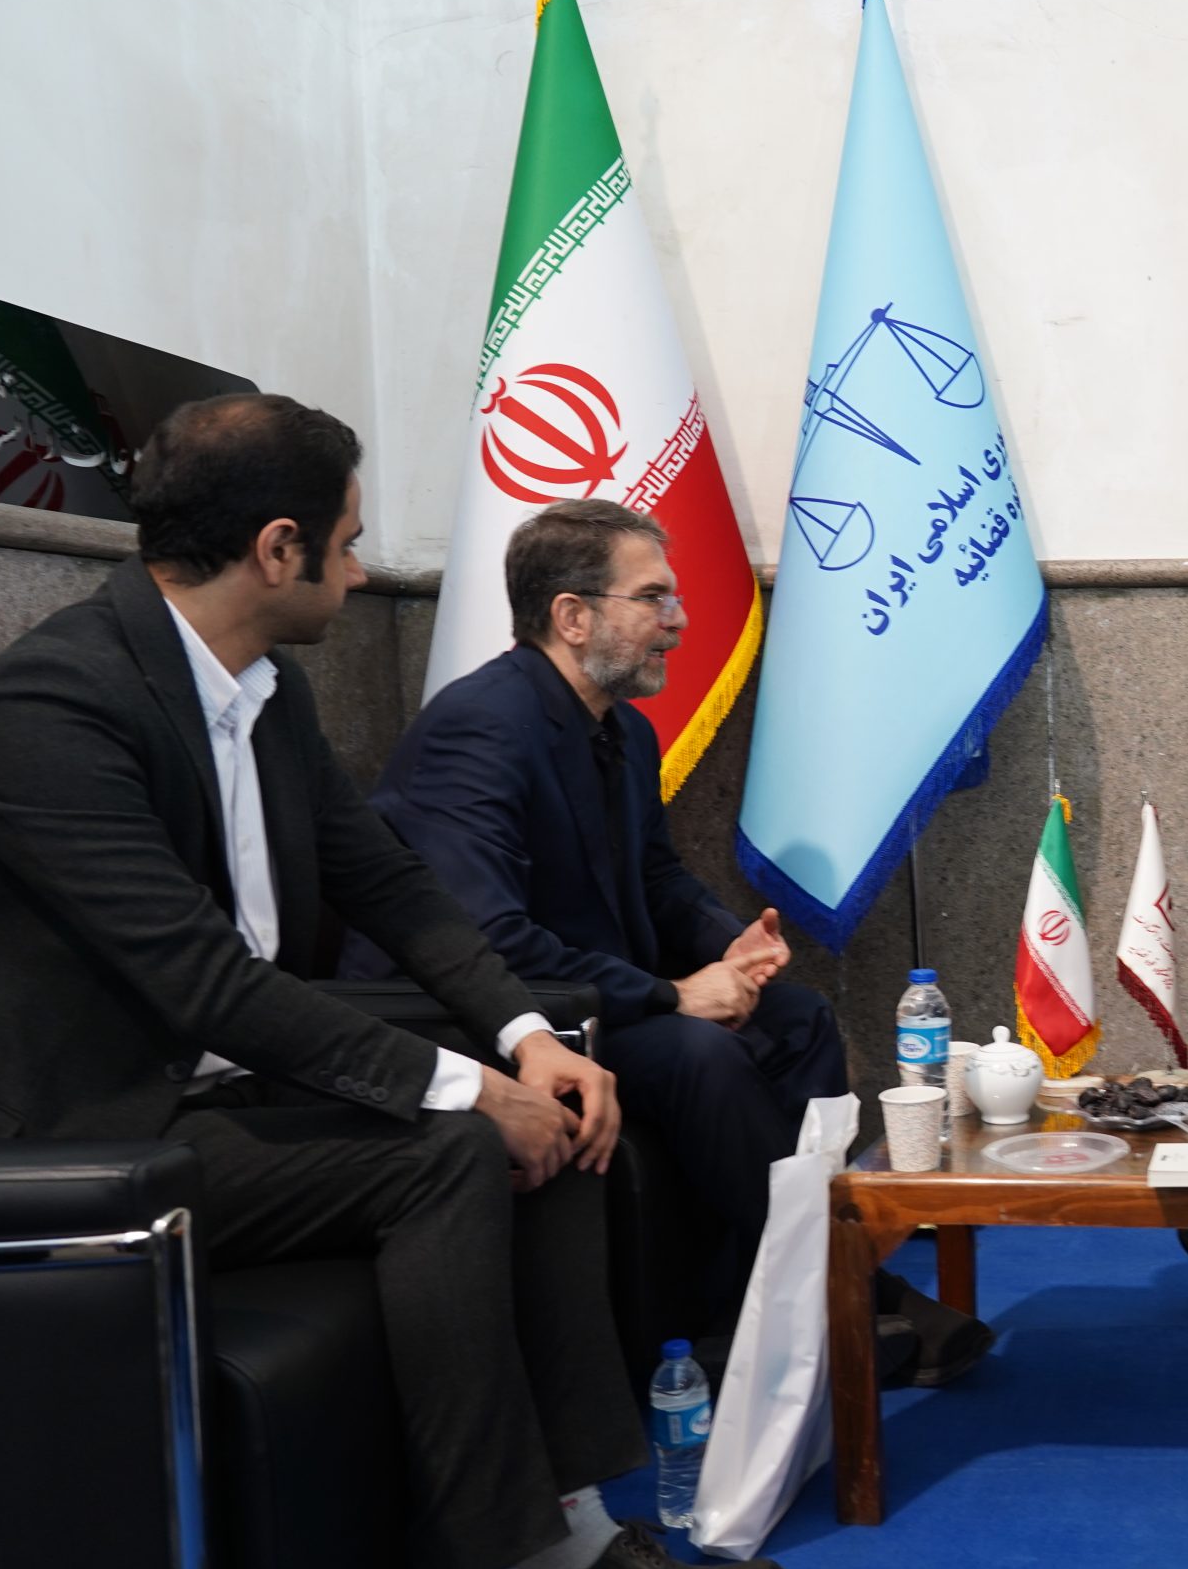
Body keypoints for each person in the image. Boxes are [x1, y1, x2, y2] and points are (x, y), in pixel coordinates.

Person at [0, 395, 790, 1569]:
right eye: (344, 544)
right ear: (275, 549)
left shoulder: (262, 688)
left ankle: (562, 1529)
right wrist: (469, 1087)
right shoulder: (53, 707)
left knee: (552, 1105)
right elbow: (203, 981)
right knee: (454, 1148)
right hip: (78, 1134)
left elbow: (390, 880)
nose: (356, 571)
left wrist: (523, 1036)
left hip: (207, 1088)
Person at [353, 498, 990, 1387]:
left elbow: (657, 878)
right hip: (496, 1018)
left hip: (592, 997)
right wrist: (672, 994)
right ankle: (848, 1291)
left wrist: (732, 943)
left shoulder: (625, 729)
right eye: (653, 598)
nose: (679, 620)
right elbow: (486, 937)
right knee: (699, 1054)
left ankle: (766, 1301)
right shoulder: (480, 725)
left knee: (798, 1018)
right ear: (572, 616)